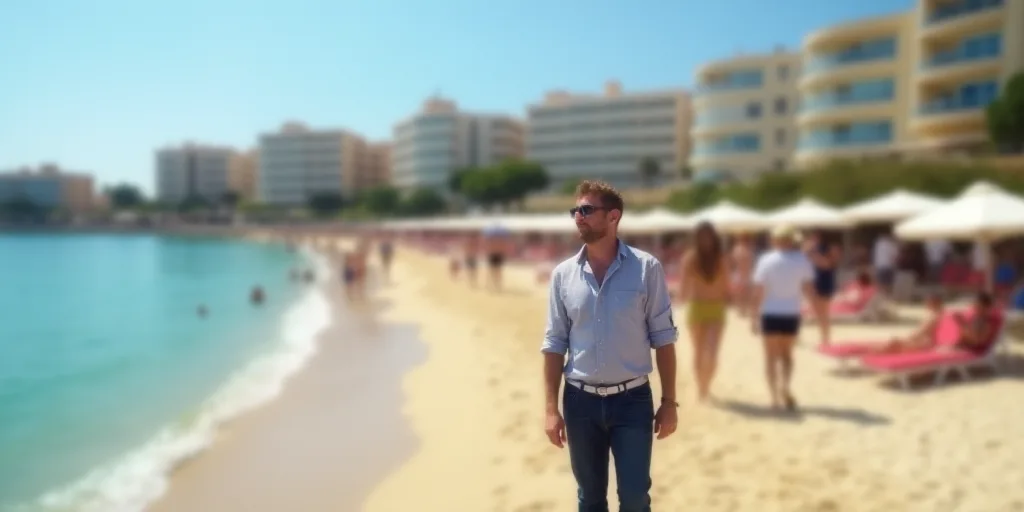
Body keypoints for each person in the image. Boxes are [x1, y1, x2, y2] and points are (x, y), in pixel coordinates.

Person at [542, 180, 678, 512]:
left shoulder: (647, 269)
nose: (578, 217)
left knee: (634, 498)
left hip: (633, 402)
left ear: (613, 216)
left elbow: (664, 339)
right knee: (590, 498)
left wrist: (670, 402)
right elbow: (554, 344)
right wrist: (550, 409)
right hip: (579, 403)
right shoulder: (563, 275)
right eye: (576, 211)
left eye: (587, 210)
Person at [750, 225, 815, 411]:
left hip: (770, 312)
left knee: (770, 357)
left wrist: (753, 316)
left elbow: (759, 291)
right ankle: (785, 385)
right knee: (787, 355)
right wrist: (813, 311)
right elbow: (808, 289)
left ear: (774, 241)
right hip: (792, 312)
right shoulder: (801, 260)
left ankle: (774, 397)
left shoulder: (766, 260)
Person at [679, 221, 729, 403]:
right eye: (702, 237)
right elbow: (683, 288)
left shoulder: (720, 258)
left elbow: (726, 284)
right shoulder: (690, 259)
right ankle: (702, 387)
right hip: (697, 307)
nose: (706, 240)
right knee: (699, 351)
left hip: (716, 307)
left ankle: (706, 384)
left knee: (713, 353)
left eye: (708, 236)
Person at [869, 294, 944, 354]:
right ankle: (875, 351)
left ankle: (873, 353)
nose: (926, 305)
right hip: (925, 342)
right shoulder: (938, 314)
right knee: (895, 343)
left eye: (927, 303)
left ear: (932, 304)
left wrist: (906, 339)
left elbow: (920, 333)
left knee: (894, 344)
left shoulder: (933, 317)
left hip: (926, 344)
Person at [805, 230, 841, 347]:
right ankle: (824, 337)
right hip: (814, 281)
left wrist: (812, 252)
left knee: (823, 313)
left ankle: (825, 339)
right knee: (817, 312)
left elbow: (826, 264)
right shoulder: (815, 250)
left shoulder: (831, 249)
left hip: (824, 282)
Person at [730, 232, 755, 317]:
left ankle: (742, 309)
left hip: (744, 273)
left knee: (745, 293)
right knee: (741, 293)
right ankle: (741, 309)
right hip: (743, 273)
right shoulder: (742, 249)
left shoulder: (741, 249)